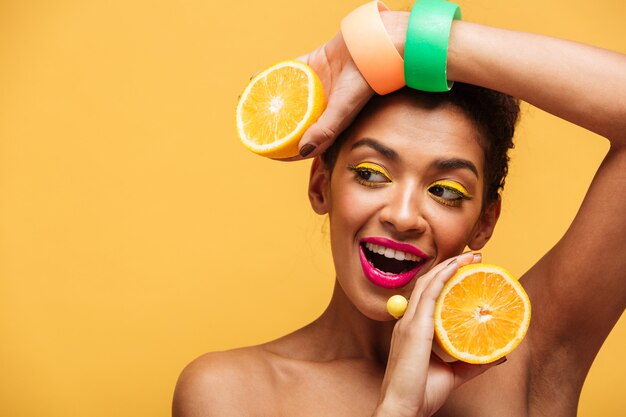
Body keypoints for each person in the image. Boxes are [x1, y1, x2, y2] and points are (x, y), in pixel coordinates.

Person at [172, 3, 626, 416]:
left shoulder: (526, 357)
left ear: (485, 221)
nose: (404, 216)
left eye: (446, 190)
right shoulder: (231, 393)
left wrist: (404, 39)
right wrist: (397, 409)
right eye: (371, 173)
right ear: (320, 186)